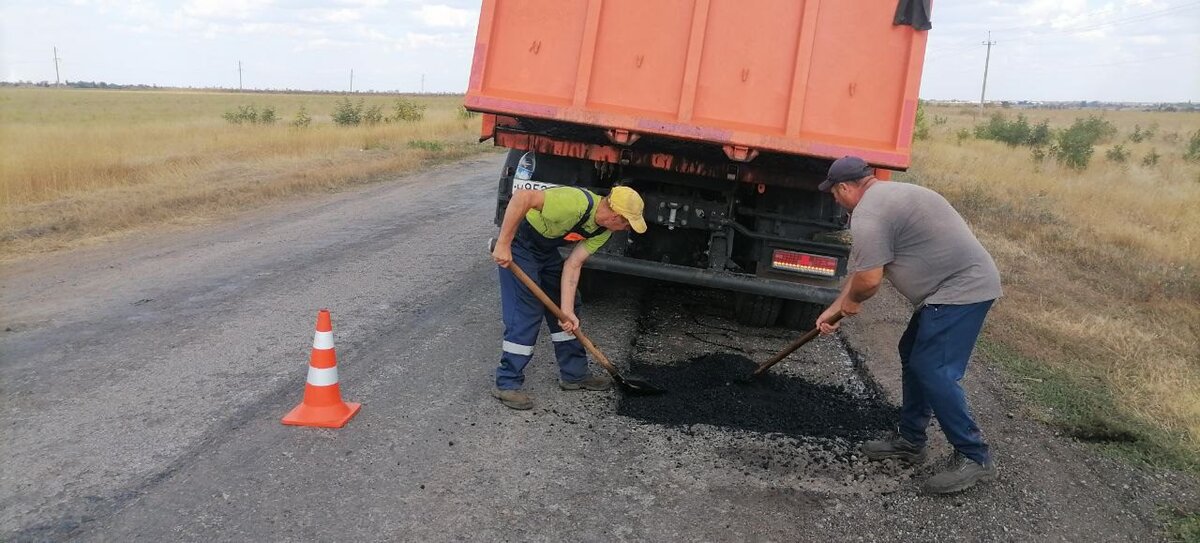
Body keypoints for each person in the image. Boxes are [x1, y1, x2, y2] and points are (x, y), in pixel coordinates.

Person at [815, 156, 1003, 494]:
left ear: (845, 187)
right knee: (913, 353)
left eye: (833, 192)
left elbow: (870, 281)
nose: (834, 198)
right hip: (946, 289)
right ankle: (911, 440)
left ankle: (975, 456)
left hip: (961, 289)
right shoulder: (888, 197)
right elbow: (862, 271)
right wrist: (835, 309)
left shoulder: (870, 215)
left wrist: (853, 303)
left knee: (934, 368)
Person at [490, 185, 647, 410]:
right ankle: (507, 383)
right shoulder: (574, 203)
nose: (625, 229)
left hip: (545, 252)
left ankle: (574, 375)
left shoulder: (603, 231)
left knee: (569, 308)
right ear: (615, 215)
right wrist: (504, 244)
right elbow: (522, 198)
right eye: (626, 223)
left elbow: (573, 264)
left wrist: (567, 311)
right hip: (520, 245)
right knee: (527, 310)